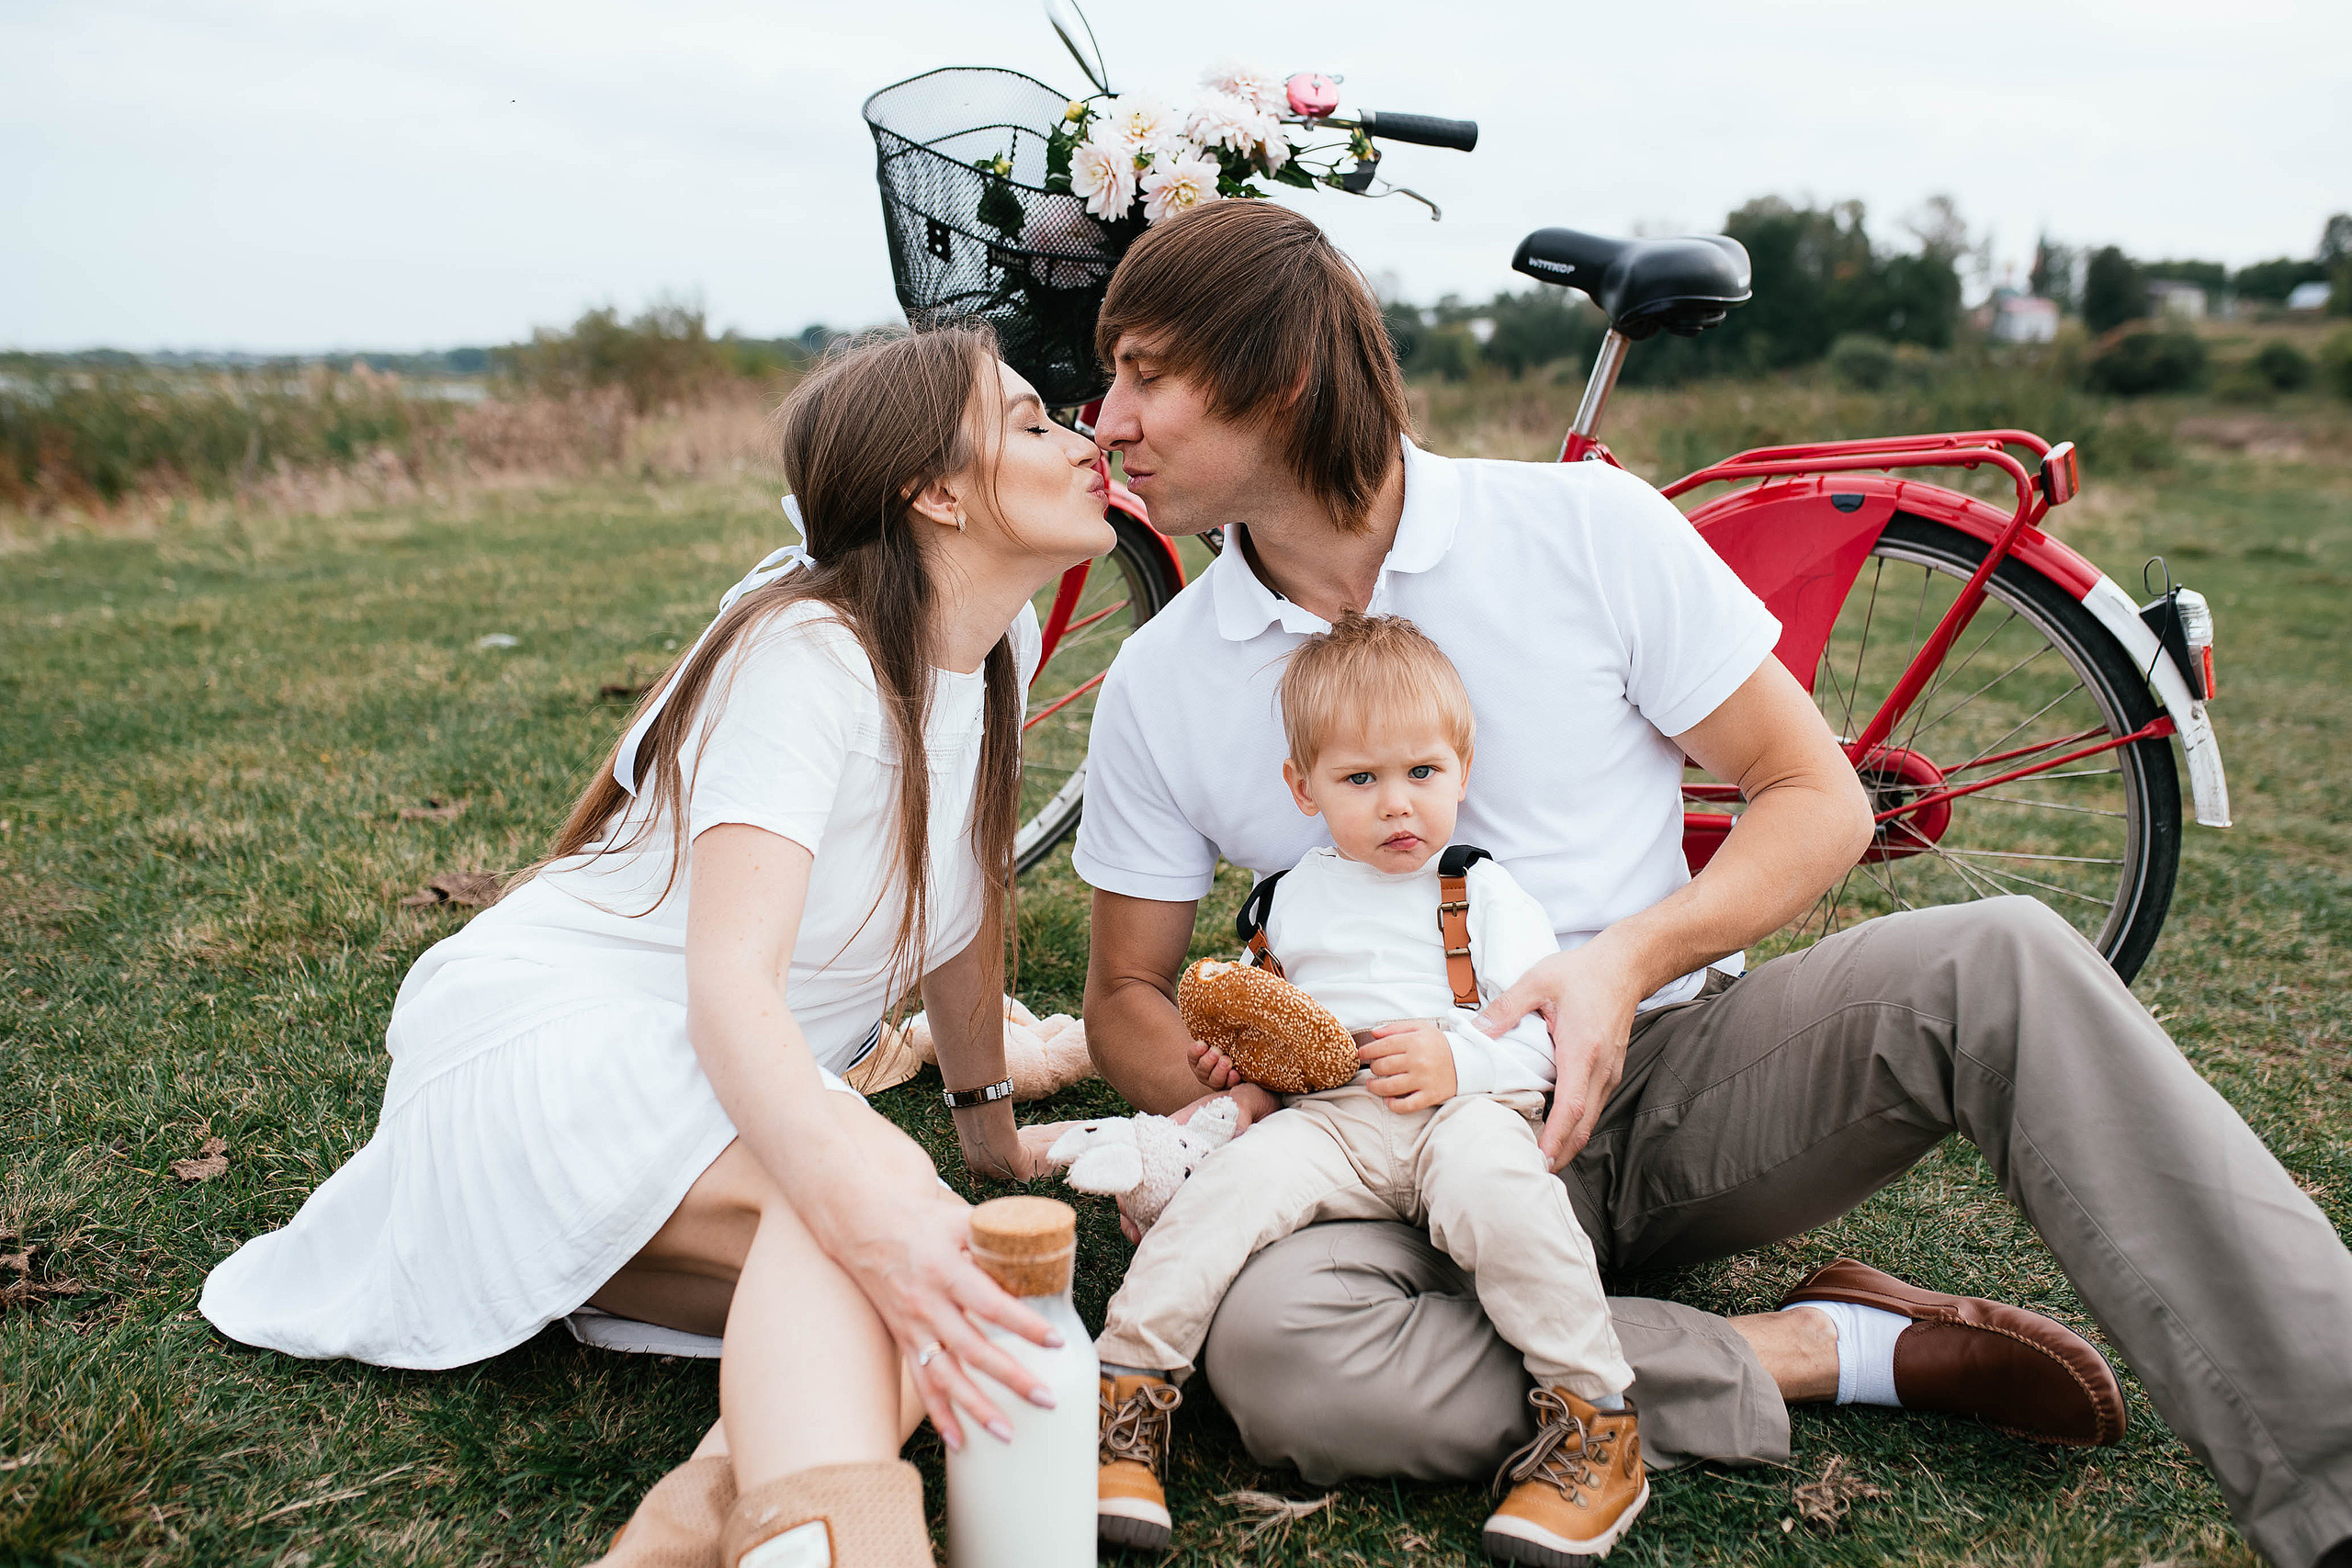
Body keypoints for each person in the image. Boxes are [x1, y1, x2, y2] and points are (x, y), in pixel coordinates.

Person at [1073, 199, 2352, 1568]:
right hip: (1388, 1150)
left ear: (1285, 380)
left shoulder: (1584, 528)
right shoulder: (1162, 680)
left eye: (1148, 373)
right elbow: (1125, 992)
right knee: (1278, 1360)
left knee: (2007, 961)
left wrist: (1622, 962)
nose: (1109, 417)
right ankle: (1817, 1348)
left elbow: (1816, 797)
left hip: (1677, 1077)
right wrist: (1247, 1092)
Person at [201, 326, 1114, 1568]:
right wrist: (880, 1173)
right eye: (1029, 421)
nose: (1083, 436)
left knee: (913, 1269)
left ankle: (701, 1522)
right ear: (936, 491)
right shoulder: (813, 654)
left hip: (698, 1094)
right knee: (895, 1223)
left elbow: (957, 913)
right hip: (555, 1042)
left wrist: (988, 1128)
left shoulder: (993, 653)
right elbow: (729, 986)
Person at [1092, 612, 1645, 1564]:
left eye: (1421, 774)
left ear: (1461, 771)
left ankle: (1594, 1420)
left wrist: (1457, 1061)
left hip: (1463, 1114)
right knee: (1223, 1197)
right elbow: (1272, 1030)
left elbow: (1546, 1048)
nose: (1398, 806)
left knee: (1505, 1202)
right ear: (1302, 788)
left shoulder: (1482, 892)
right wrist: (1247, 1064)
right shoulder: (1285, 901)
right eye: (1361, 780)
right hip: (1332, 1124)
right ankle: (1126, 1398)